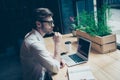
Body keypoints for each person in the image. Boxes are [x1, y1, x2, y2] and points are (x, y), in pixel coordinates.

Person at [20, 8, 65, 80]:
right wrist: (58, 43)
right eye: (50, 22)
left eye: (52, 22)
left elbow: (45, 52)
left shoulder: (33, 34)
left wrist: (58, 58)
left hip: (42, 72)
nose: (53, 25)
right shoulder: (34, 43)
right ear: (38, 24)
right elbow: (56, 68)